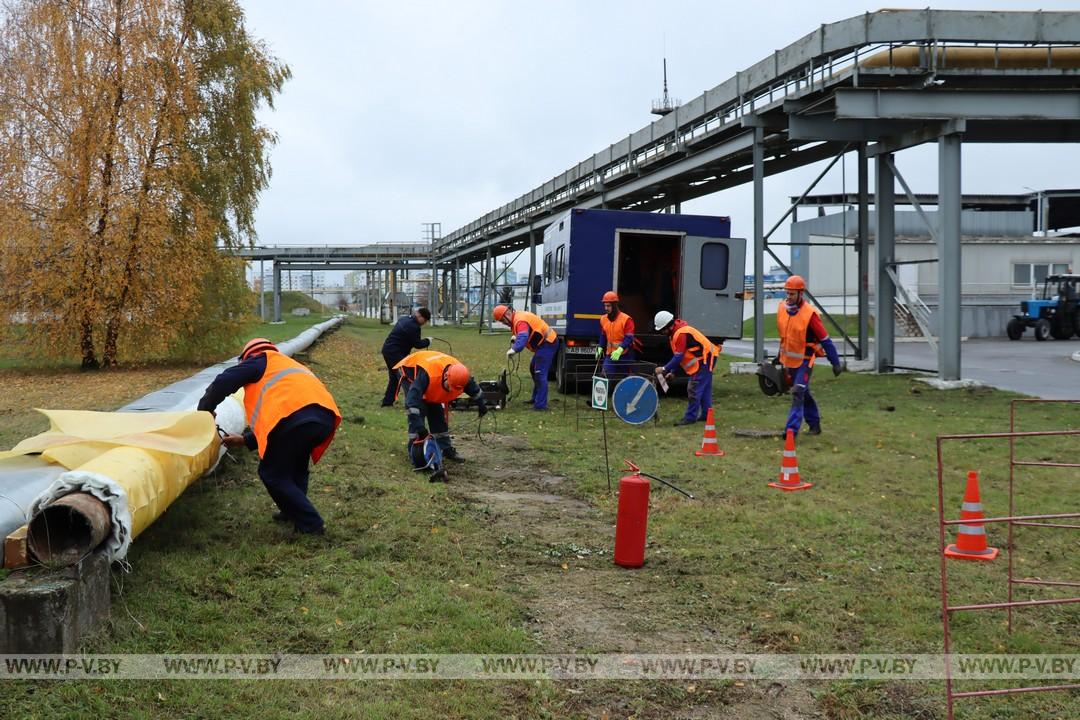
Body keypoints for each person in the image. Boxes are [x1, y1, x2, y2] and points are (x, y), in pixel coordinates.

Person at [198, 338, 341, 534]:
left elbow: (224, 381)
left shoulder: (260, 360)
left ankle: (311, 524)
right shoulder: (289, 364)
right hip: (324, 418)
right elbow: (277, 421)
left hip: (293, 419)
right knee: (296, 467)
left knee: (273, 473)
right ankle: (291, 512)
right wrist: (246, 439)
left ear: (247, 357)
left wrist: (205, 409)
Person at [394, 350, 488, 475]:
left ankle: (446, 449)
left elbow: (474, 389)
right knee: (420, 409)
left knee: (437, 412)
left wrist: (481, 403)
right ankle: (415, 452)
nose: (451, 391)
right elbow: (412, 404)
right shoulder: (428, 376)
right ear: (445, 377)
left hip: (432, 377)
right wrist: (420, 428)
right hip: (409, 371)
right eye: (450, 386)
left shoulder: (461, 375)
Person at [776, 275, 843, 437]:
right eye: (787, 293)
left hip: (806, 361)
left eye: (792, 294)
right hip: (790, 361)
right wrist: (778, 357)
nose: (789, 297)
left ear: (801, 294)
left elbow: (826, 340)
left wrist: (835, 362)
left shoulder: (810, 315)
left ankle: (791, 431)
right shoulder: (783, 309)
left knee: (798, 391)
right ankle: (814, 424)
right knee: (803, 392)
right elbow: (785, 337)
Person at [653, 311, 721, 426]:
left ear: (669, 325)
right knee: (704, 388)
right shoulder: (675, 333)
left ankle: (690, 418)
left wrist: (664, 369)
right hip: (707, 357)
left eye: (662, 329)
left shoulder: (680, 333)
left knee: (693, 388)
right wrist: (673, 372)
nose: (662, 332)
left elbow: (678, 356)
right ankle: (706, 415)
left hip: (705, 359)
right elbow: (680, 356)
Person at [493, 304, 560, 410]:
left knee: (540, 373)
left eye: (502, 320)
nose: (503, 323)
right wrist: (516, 337)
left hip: (547, 343)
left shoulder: (519, 320)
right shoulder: (517, 317)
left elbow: (523, 336)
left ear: (507, 314)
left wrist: (514, 349)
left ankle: (540, 405)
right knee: (534, 368)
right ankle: (536, 398)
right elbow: (525, 332)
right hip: (543, 344)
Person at [380, 307, 432, 407]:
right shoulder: (414, 326)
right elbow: (417, 344)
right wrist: (428, 341)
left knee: (395, 378)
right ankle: (411, 403)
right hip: (395, 353)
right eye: (424, 321)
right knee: (405, 377)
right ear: (420, 316)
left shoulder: (404, 319)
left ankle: (387, 402)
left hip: (387, 350)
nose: (424, 323)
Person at [597, 291, 640, 379]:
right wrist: (600, 347)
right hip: (610, 355)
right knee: (605, 375)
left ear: (615, 305)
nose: (606, 308)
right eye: (605, 305)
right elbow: (603, 334)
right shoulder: (603, 319)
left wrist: (620, 350)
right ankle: (609, 392)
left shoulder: (626, 319)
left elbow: (629, 337)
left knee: (627, 378)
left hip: (626, 355)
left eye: (608, 306)